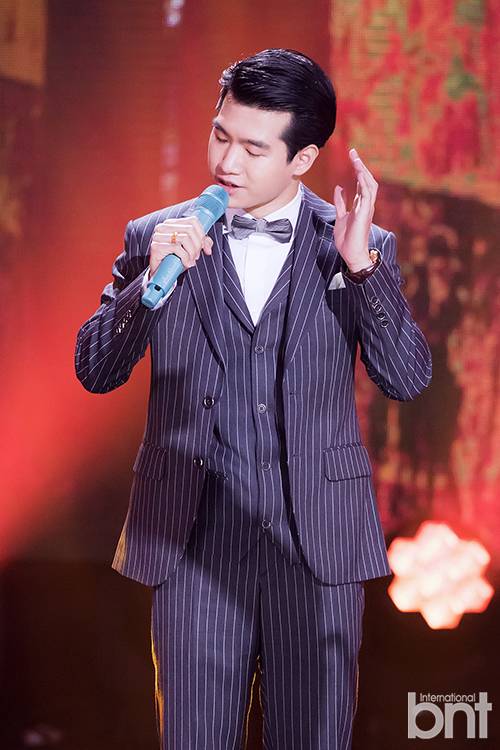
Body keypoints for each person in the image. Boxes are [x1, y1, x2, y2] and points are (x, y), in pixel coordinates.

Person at [75, 48, 432, 750]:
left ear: (303, 159)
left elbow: (407, 379)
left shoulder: (355, 246)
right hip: (193, 546)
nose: (226, 163)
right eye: (220, 136)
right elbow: (95, 370)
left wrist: (361, 267)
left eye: (253, 148)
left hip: (318, 546)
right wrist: (145, 289)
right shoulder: (156, 236)